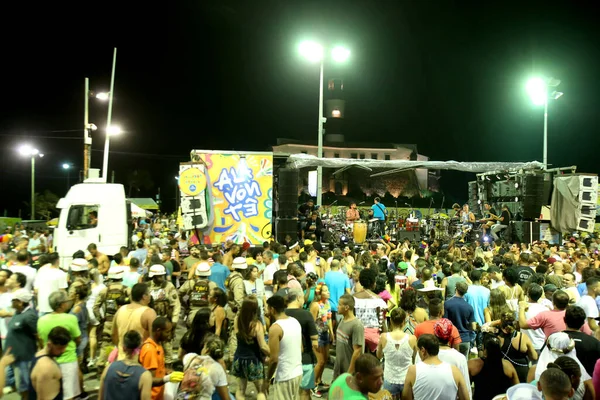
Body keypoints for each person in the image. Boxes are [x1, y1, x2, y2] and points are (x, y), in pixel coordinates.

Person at [37, 291, 82, 400]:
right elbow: (78, 339)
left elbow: (41, 340)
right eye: (67, 301)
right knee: (68, 394)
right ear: (62, 304)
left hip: (49, 360)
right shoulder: (70, 318)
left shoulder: (41, 320)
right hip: (68, 361)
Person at [402, 334, 470, 400]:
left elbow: (406, 397)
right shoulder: (455, 371)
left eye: (418, 350)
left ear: (423, 350)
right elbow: (466, 397)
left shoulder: (413, 371)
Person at [231, 296, 270, 400]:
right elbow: (263, 346)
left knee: (241, 389)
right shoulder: (256, 325)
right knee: (261, 390)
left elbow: (237, 335)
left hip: (239, 358)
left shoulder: (237, 320)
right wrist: (272, 354)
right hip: (254, 360)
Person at [265, 295, 303, 399]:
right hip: (298, 372)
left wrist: (267, 379)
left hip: (285, 376)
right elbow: (301, 348)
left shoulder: (275, 328)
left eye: (267, 308)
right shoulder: (295, 321)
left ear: (272, 309)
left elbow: (273, 359)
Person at [98, 330, 152, 400]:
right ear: (140, 348)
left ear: (123, 348)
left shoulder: (108, 368)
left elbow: (100, 398)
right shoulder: (145, 376)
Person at [139, 317, 183, 400]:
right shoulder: (150, 350)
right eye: (167, 332)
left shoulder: (158, 345)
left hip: (159, 395)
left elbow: (157, 369)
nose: (169, 335)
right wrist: (167, 379)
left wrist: (166, 371)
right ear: (158, 331)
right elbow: (149, 380)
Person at [285, 288, 318, 400]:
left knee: (290, 393)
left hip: (286, 360)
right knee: (304, 393)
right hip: (304, 359)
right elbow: (314, 337)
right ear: (299, 298)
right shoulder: (306, 314)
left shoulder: (281, 314)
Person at [376, 308, 416, 399]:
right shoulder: (412, 339)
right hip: (407, 379)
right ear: (403, 322)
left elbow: (378, 356)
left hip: (389, 378)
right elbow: (416, 358)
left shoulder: (383, 337)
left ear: (391, 322)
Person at [5, 288, 38, 400]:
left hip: (25, 358)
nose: (11, 303)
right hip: (16, 358)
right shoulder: (17, 313)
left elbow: (37, 335)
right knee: (20, 387)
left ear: (20, 302)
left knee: (25, 387)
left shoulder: (29, 316)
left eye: (13, 300)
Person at [113, 283, 157, 361]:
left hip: (122, 359)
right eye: (149, 294)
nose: (150, 296)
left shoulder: (120, 310)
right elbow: (154, 339)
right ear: (144, 296)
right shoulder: (149, 313)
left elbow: (114, 335)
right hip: (140, 361)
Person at [147, 264, 180, 364]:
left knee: (167, 345)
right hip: (151, 321)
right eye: (159, 276)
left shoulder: (169, 286)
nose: (161, 278)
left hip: (165, 319)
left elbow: (176, 304)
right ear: (153, 276)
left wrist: (174, 321)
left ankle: (168, 364)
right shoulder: (147, 286)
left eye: (162, 275)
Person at [29, 326, 71, 400]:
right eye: (60, 348)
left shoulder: (39, 354)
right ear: (49, 345)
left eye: (65, 347)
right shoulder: (46, 368)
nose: (63, 351)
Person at [433, 319, 471, 400]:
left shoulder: (426, 354)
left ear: (435, 334)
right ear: (451, 334)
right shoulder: (460, 358)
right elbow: (466, 388)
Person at [309, 282, 333, 390]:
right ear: (319, 293)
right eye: (325, 290)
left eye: (328, 290)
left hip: (325, 334)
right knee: (320, 361)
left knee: (325, 359)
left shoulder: (327, 303)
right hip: (317, 335)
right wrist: (313, 338)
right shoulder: (315, 305)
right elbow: (311, 322)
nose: (328, 292)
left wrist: (331, 333)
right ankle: (311, 385)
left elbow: (328, 320)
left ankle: (319, 381)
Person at [563, 305, 600, 377]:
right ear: (583, 323)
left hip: (561, 381)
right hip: (588, 383)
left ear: (564, 320)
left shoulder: (554, 339)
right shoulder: (594, 343)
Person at [444, 281, 476, 358]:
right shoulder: (469, 307)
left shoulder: (447, 304)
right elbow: (474, 327)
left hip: (452, 340)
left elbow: (445, 322)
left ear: (456, 289)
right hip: (465, 339)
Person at [33, 252, 68, 317]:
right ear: (58, 260)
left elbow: (36, 290)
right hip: (55, 309)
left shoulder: (41, 271)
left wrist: (38, 304)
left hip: (42, 307)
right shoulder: (61, 274)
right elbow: (62, 292)